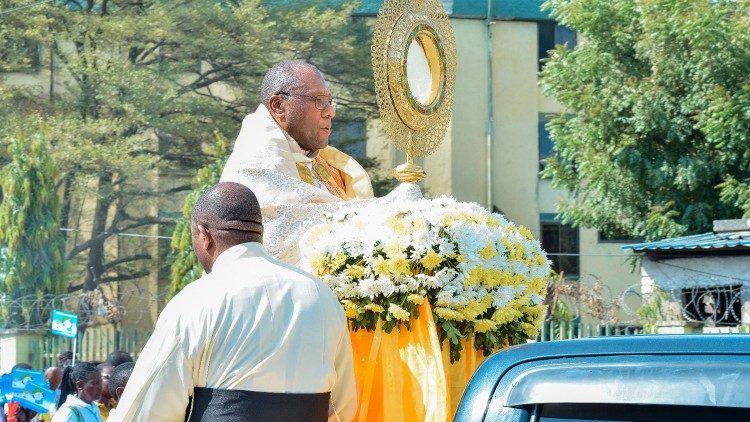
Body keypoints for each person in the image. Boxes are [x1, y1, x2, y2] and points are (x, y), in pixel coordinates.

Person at [109, 182, 357, 422]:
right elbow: (343, 406)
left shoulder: (196, 300)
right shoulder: (320, 296)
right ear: (259, 232)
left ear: (204, 236)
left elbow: (148, 409)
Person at [220, 60, 376, 264]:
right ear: (278, 106)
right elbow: (285, 241)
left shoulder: (325, 163)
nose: (330, 112)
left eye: (330, 101)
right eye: (318, 100)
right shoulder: (258, 160)